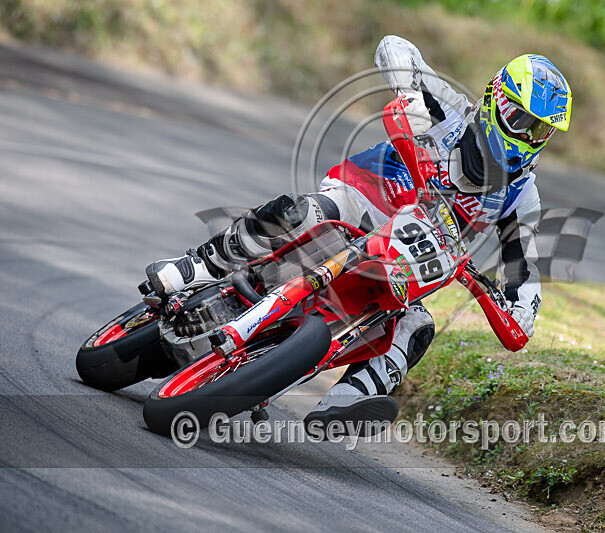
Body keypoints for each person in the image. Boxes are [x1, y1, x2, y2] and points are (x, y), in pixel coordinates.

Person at [145, 35, 572, 433]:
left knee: (417, 326)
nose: (526, 137)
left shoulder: (522, 197)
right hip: (358, 202)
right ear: (497, 98)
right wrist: (407, 92)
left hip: (407, 251)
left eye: (540, 130)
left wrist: (515, 309)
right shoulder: (451, 111)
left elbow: (524, 270)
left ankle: (346, 404)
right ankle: (197, 266)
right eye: (521, 120)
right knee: (300, 212)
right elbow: (395, 47)